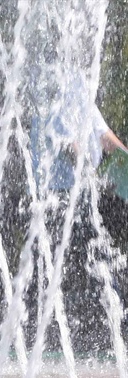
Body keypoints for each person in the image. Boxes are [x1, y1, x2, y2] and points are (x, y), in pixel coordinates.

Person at [29, 71, 128, 350]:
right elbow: (67, 147)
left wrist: (124, 161)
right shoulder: (49, 86)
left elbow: (103, 134)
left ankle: (114, 324)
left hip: (84, 194)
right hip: (57, 198)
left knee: (99, 258)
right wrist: (97, 175)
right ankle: (40, 333)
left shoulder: (79, 84)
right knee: (67, 264)